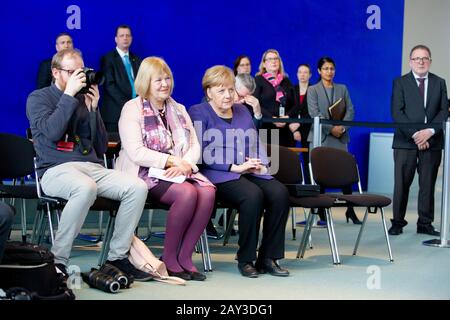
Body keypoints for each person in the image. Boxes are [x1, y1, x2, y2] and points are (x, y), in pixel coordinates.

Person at [26, 48, 151, 281]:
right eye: (72, 72)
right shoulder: (38, 98)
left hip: (92, 168)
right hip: (55, 170)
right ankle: (58, 261)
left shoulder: (86, 99)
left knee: (137, 187)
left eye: (81, 72)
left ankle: (117, 258)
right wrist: (69, 96)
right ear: (55, 72)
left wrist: (94, 110)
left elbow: (102, 147)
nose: (79, 78)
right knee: (85, 187)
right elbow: (53, 132)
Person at [116, 57, 216, 281]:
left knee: (208, 192)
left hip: (179, 170)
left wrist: (186, 165)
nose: (164, 84)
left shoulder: (178, 108)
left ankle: (185, 257)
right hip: (144, 173)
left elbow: (194, 145)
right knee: (188, 193)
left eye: (167, 78)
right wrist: (172, 161)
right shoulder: (132, 109)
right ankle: (169, 259)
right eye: (158, 80)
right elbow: (136, 152)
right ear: (145, 82)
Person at [189, 65, 290, 278]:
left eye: (230, 90)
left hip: (247, 168)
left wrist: (262, 164)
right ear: (209, 92)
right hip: (218, 173)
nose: (228, 96)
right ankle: (246, 259)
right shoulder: (198, 112)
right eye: (221, 90)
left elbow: (254, 142)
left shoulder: (242, 110)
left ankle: (268, 258)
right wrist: (235, 167)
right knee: (252, 195)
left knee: (279, 192)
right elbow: (200, 152)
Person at [389, 44, 448, 236]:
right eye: (417, 58)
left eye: (425, 58)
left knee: (427, 184)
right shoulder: (400, 82)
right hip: (406, 141)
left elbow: (443, 110)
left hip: (432, 141)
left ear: (430, 61)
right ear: (410, 61)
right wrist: (416, 135)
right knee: (401, 184)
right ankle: (397, 222)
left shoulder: (440, 82)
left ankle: (425, 223)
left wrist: (429, 132)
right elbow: (397, 112)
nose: (421, 62)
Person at [307, 57, 359, 224]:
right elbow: (314, 113)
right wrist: (332, 129)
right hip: (321, 137)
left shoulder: (342, 88)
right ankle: (321, 211)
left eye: (332, 68)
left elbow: (350, 110)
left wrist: (342, 128)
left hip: (340, 137)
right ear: (319, 71)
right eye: (326, 68)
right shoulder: (312, 90)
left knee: (345, 174)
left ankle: (350, 210)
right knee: (321, 175)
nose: (329, 72)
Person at [100, 25, 142, 133]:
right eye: (122, 35)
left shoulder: (137, 59)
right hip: (115, 114)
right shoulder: (107, 58)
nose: (125, 38)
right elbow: (109, 86)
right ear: (116, 39)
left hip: (136, 112)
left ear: (131, 38)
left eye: (128, 35)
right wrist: (129, 104)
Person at [254, 49, 296, 147]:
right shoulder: (258, 80)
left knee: (284, 160)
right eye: (270, 59)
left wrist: (287, 117)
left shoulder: (286, 81)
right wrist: (272, 119)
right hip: (266, 127)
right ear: (264, 64)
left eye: (276, 59)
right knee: (271, 160)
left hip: (285, 128)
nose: (274, 61)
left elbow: (295, 105)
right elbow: (256, 103)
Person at [289, 63, 313, 183]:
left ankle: (309, 184)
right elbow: (288, 109)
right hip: (292, 128)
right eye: (300, 72)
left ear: (310, 75)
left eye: (305, 72)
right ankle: (292, 184)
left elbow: (313, 111)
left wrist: (300, 125)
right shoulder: (291, 89)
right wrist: (294, 128)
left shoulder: (314, 90)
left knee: (308, 159)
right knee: (290, 158)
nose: (302, 75)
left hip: (308, 129)